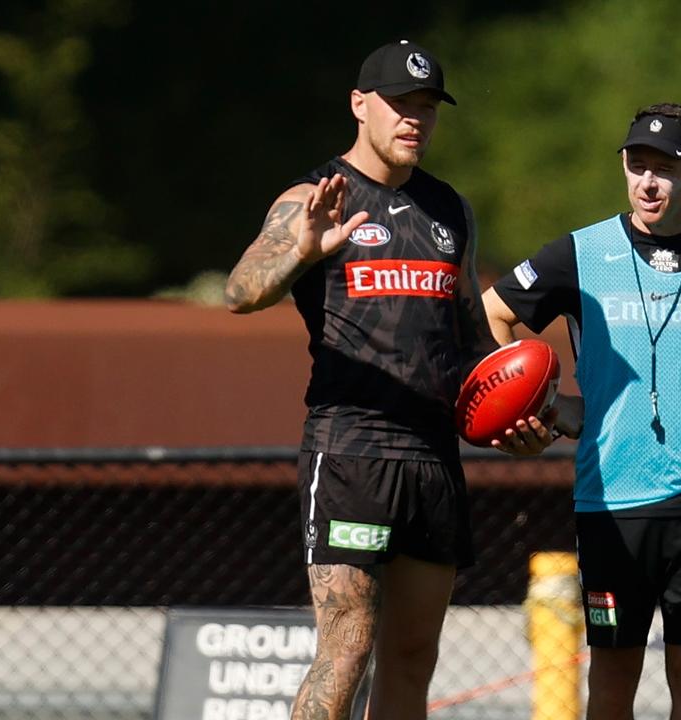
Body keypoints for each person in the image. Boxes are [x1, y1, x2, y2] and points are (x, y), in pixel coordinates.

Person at [224, 40, 543, 720]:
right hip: (351, 454)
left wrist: (526, 410)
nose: (414, 120)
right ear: (359, 104)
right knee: (347, 650)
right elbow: (239, 291)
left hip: (433, 461)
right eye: (400, 104)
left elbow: (473, 342)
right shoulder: (315, 198)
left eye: (427, 107)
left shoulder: (449, 211)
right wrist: (300, 252)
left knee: (411, 658)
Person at [483, 103, 681, 719]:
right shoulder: (582, 253)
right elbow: (492, 313)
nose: (649, 182)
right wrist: (548, 405)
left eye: (666, 168)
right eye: (637, 167)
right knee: (611, 683)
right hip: (610, 500)